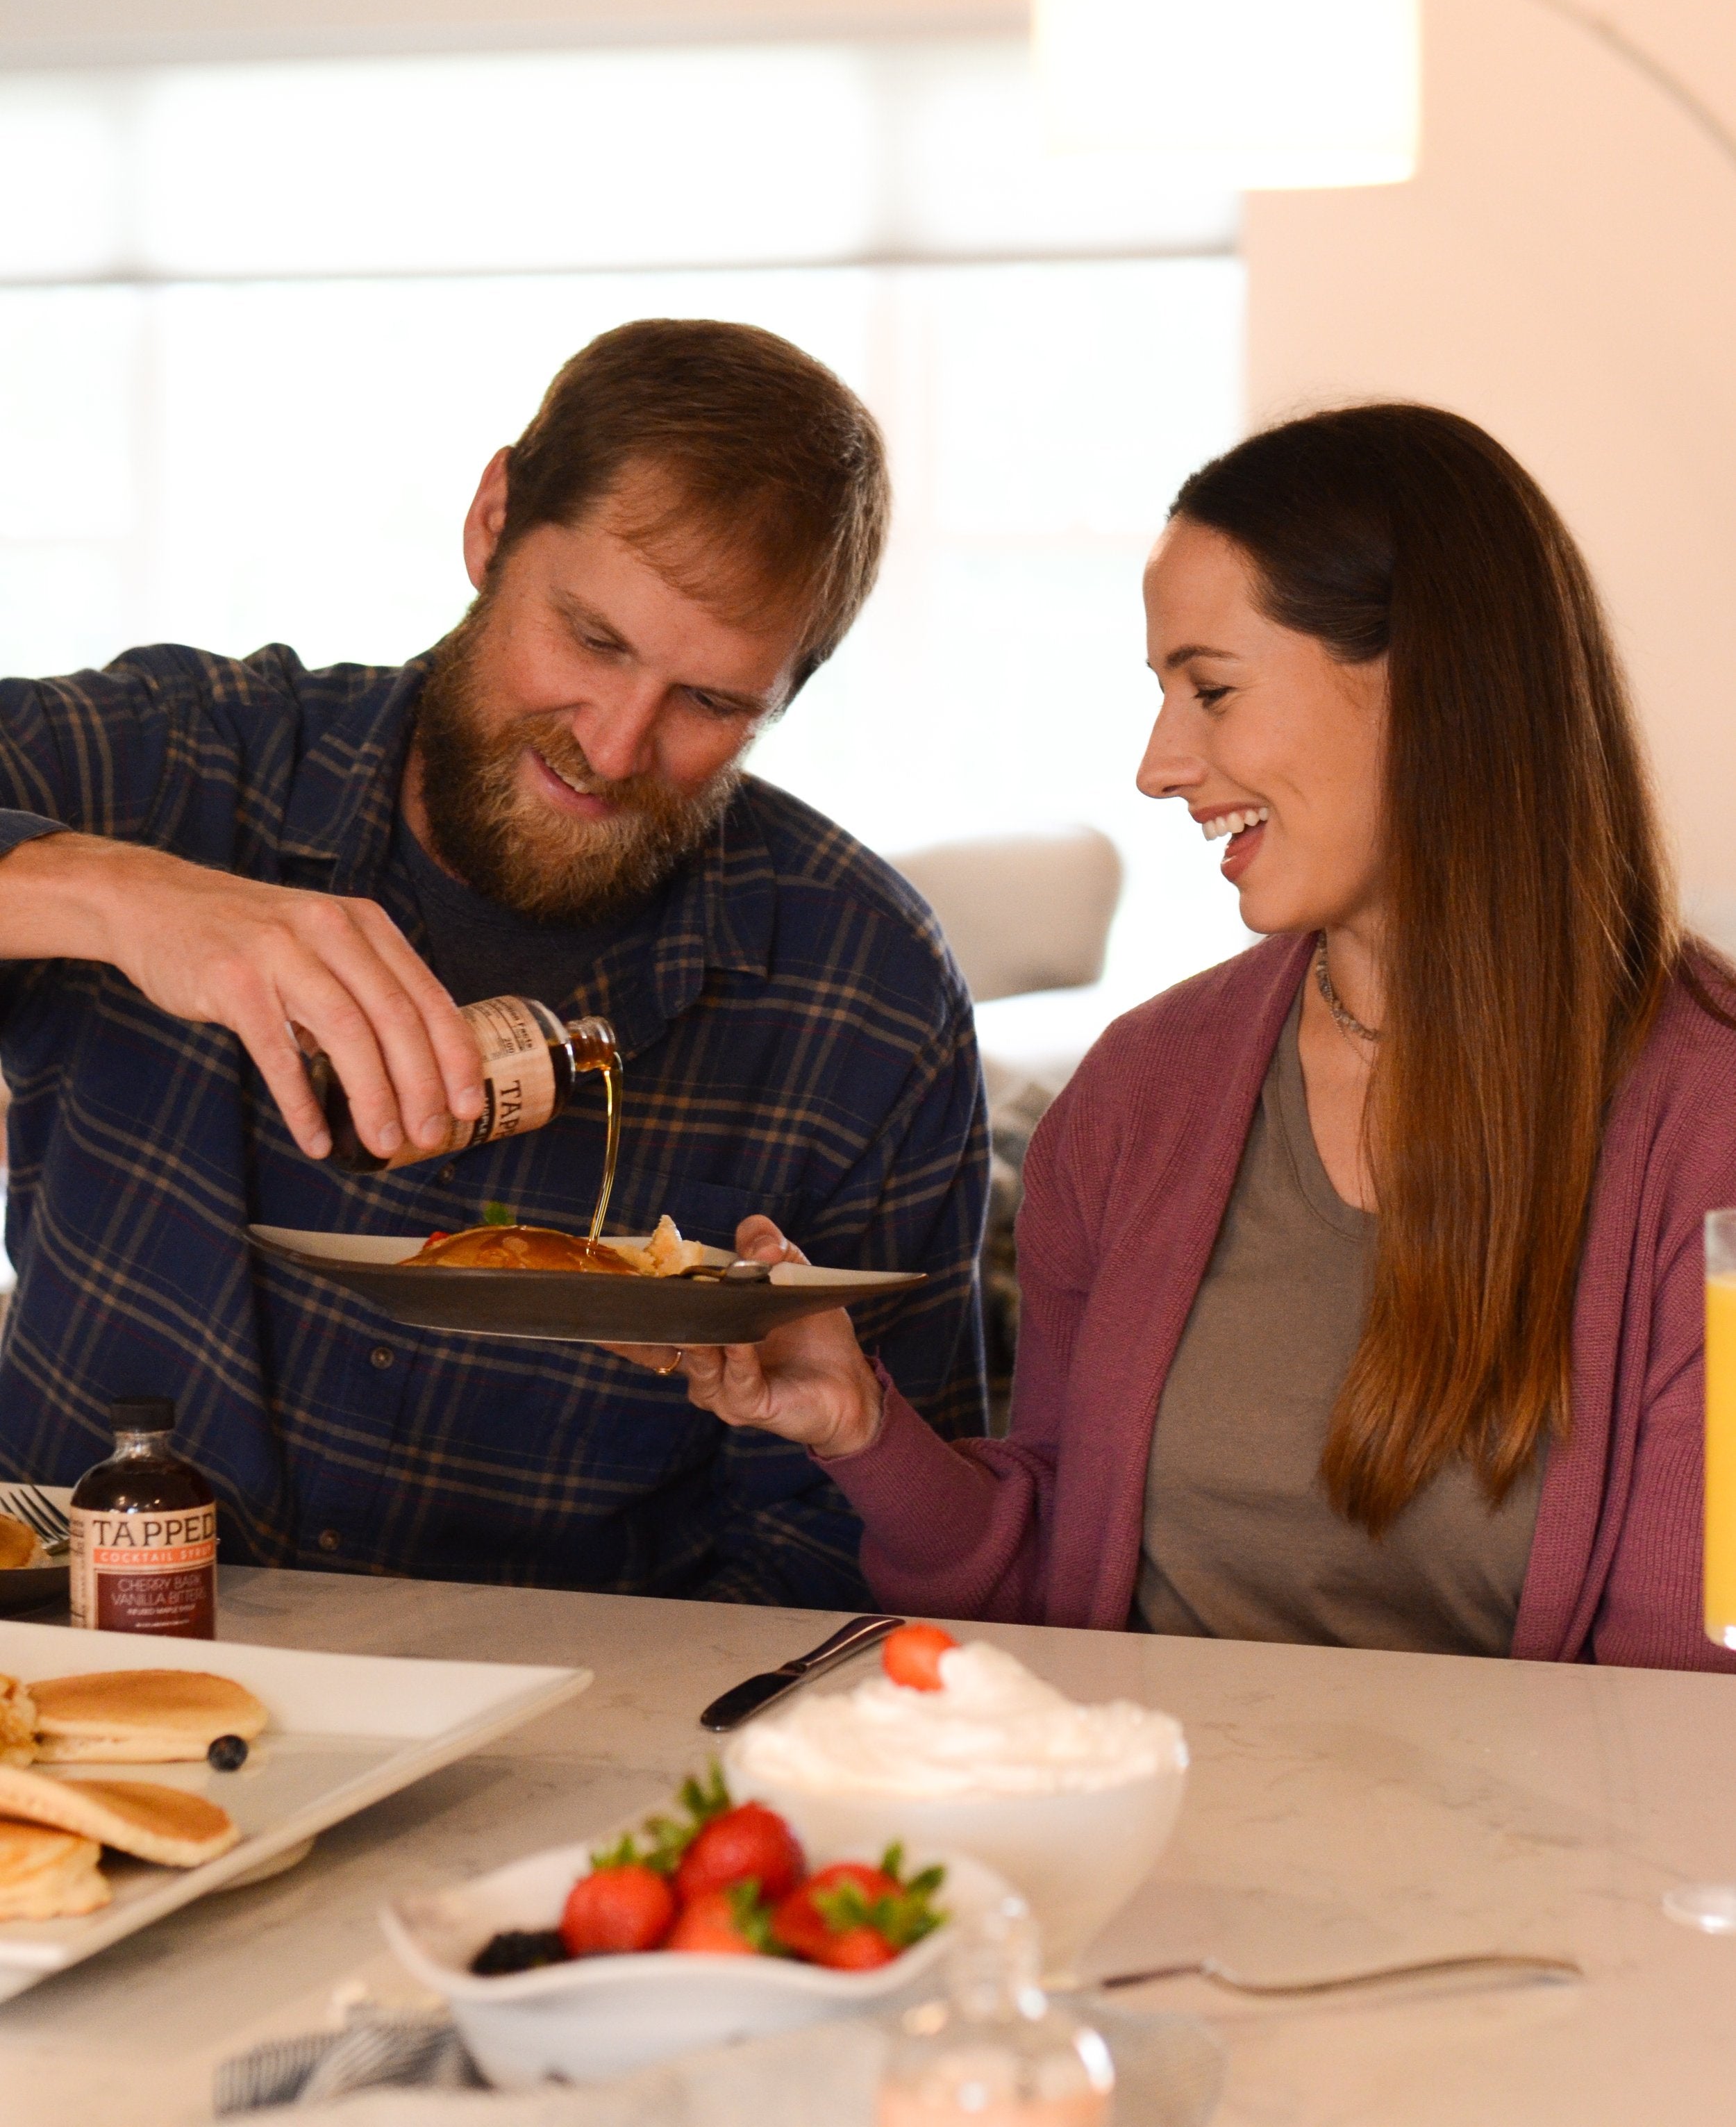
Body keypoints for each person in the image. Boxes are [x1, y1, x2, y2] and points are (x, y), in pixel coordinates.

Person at [653, 403, 1736, 1668]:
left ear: (1436, 681)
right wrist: (862, 1430)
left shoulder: (1706, 1126)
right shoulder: (1136, 1096)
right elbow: (1061, 1577)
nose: (1160, 765)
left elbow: (1690, 1701)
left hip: (1520, 1861)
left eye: (1212, 689)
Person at [0, 319, 987, 1604]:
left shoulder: (867, 990)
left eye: (714, 704)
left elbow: (836, 1563)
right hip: (85, 1683)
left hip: (572, 1749)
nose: (619, 745)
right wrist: (115, 894)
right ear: (492, 521)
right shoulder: (185, 763)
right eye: (591, 638)